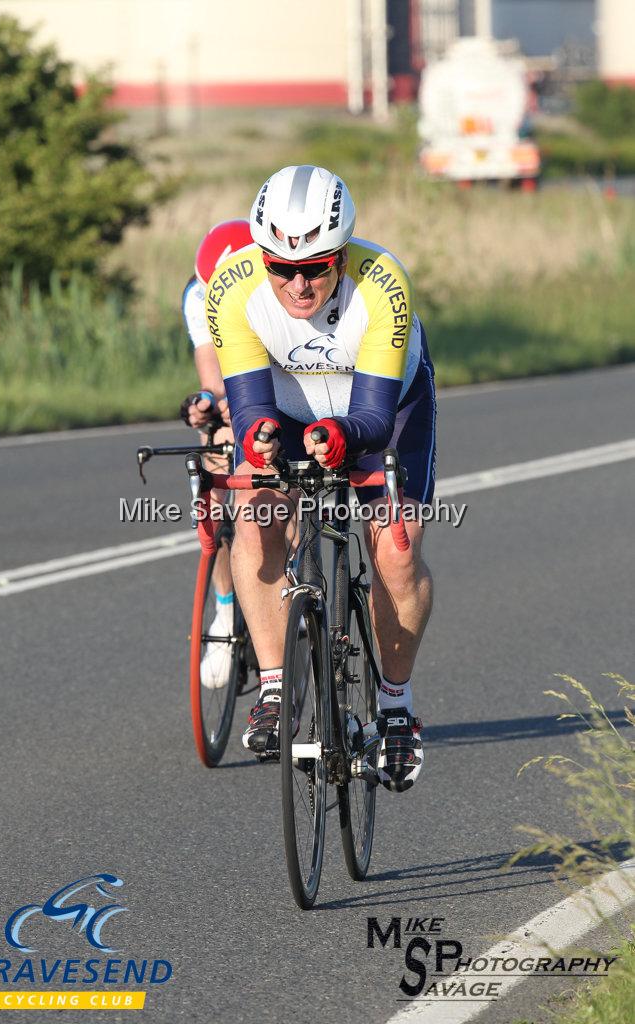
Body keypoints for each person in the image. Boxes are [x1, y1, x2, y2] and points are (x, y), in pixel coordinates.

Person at [205, 166, 436, 793]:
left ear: (344, 253)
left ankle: (394, 705)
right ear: (262, 256)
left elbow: (371, 417)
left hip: (381, 407)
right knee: (256, 523)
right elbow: (251, 407)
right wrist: (258, 439)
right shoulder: (231, 289)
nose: (299, 283)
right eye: (282, 267)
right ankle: (278, 687)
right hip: (285, 404)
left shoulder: (382, 282)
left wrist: (340, 437)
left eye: (318, 266)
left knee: (396, 545)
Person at [179, 219, 253, 689]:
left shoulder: (276, 286)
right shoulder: (198, 295)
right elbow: (213, 377)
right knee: (214, 482)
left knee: (272, 494)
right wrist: (210, 410)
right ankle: (226, 613)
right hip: (232, 382)